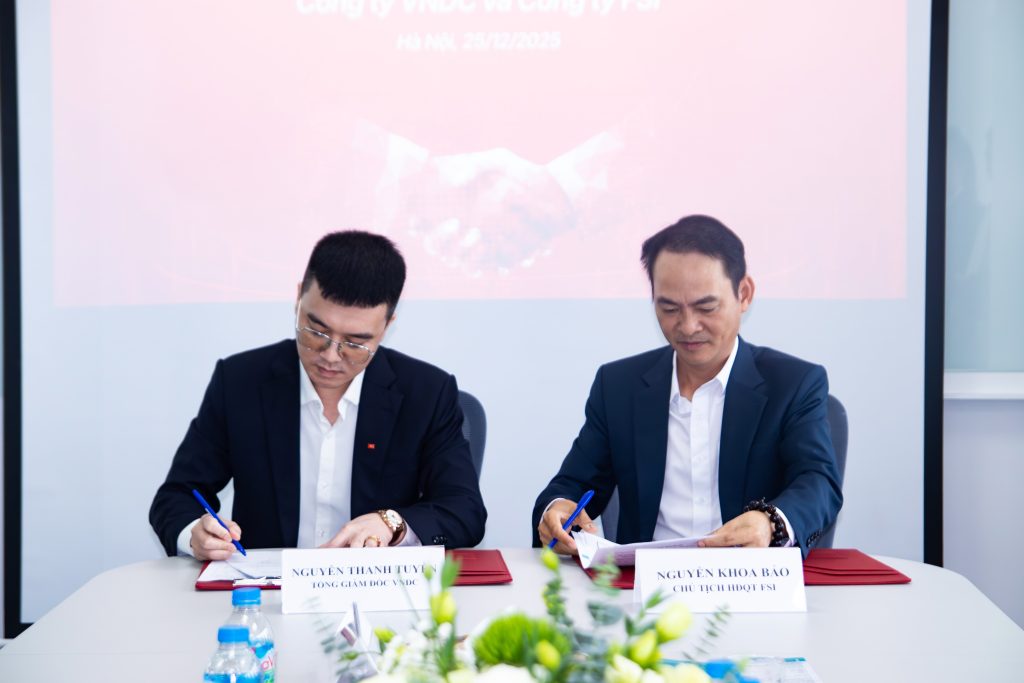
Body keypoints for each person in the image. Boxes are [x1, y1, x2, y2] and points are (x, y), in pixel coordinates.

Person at [151, 230, 486, 561]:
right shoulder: (240, 382)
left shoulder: (426, 393)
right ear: (298, 298)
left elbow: (465, 510)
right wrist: (195, 533)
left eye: (355, 343)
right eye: (316, 331)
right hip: (268, 587)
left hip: (376, 587)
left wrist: (392, 523)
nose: (330, 355)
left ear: (387, 326)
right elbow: (176, 497)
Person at [533, 215, 842, 556]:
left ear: (744, 294)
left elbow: (818, 482)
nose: (688, 326)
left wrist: (770, 522)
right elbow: (573, 484)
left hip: (751, 577)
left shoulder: (794, 384)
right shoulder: (619, 386)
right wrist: (557, 510)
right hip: (645, 582)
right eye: (669, 308)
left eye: (705, 307)